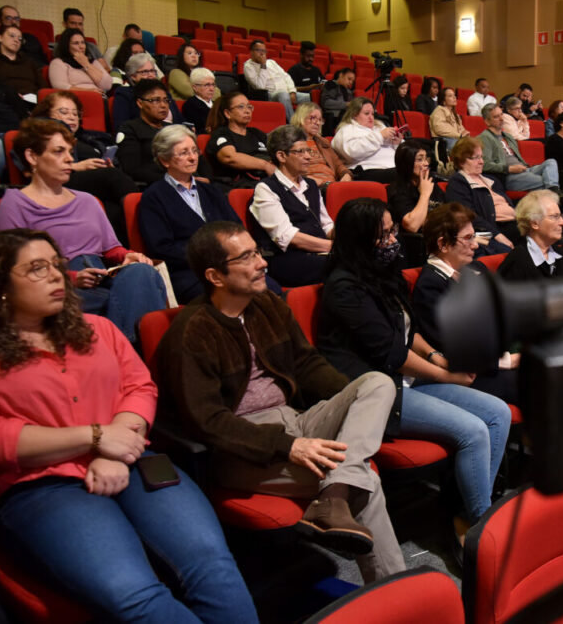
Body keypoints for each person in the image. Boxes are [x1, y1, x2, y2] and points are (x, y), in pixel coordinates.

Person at [0, 229, 258, 623]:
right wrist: (97, 438)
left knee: (212, 564)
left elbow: (139, 388)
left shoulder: (99, 329)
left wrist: (120, 447)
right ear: (0, 285)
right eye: (36, 268)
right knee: (136, 596)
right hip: (41, 484)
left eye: (57, 265)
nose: (56, 275)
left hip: (132, 458)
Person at [155, 221, 407, 582]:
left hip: (294, 418)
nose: (263, 263)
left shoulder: (268, 304)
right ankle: (394, 597)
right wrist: (288, 446)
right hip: (242, 448)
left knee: (377, 384)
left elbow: (307, 364)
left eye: (258, 252)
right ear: (215, 275)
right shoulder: (191, 333)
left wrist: (347, 404)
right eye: (247, 257)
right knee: (364, 482)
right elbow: (208, 422)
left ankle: (331, 497)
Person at [317, 198, 512, 547]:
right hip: (376, 391)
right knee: (474, 431)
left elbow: (408, 331)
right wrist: (446, 376)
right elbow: (390, 353)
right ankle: (480, 523)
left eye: (393, 231)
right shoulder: (344, 287)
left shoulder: (380, 274)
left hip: (406, 379)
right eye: (384, 235)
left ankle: (467, 512)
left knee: (497, 413)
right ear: (361, 240)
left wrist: (436, 355)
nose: (394, 240)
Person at [0, 118, 167, 342]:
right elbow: (12, 269)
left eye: (69, 151)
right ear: (32, 156)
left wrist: (127, 256)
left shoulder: (87, 201)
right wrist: (72, 278)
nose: (69, 159)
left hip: (102, 278)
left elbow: (111, 248)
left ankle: (119, 354)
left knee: (142, 273)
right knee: (127, 299)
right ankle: (130, 356)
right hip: (58, 286)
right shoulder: (14, 204)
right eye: (58, 152)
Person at [410, 203, 519, 402]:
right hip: (469, 374)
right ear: (443, 244)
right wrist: (507, 361)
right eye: (468, 238)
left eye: (474, 236)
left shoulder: (475, 268)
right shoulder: (430, 286)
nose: (476, 245)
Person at [138, 125, 243, 303]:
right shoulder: (154, 197)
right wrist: (208, 256)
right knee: (230, 294)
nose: (193, 157)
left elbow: (236, 227)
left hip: (228, 264)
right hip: (189, 272)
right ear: (165, 160)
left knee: (267, 289)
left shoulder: (211, 190)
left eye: (194, 151)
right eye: (184, 153)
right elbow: (161, 248)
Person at [31, 91, 137, 239]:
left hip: (97, 184)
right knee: (113, 176)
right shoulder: (41, 135)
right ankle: (145, 214)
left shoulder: (90, 137)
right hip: (64, 180)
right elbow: (36, 167)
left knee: (114, 211)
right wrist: (75, 166)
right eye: (64, 112)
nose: (71, 117)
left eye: (75, 114)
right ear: (47, 114)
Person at [249, 125, 333, 287]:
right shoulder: (266, 189)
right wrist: (334, 247)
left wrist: (350, 234)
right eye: (301, 152)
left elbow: (326, 225)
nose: (308, 157)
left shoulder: (311, 185)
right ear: (281, 156)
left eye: (308, 151)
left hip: (319, 253)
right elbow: (287, 237)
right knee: (345, 265)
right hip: (287, 259)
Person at [444, 137, 518, 251]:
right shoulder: (458, 183)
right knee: (507, 250)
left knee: (544, 238)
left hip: (514, 225)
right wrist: (497, 235)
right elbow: (467, 217)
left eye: (481, 157)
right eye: (476, 158)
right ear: (461, 161)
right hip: (483, 234)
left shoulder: (491, 180)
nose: (481, 161)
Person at [386, 140, 446, 266]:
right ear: (406, 163)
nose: (425, 164)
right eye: (419, 159)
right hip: (415, 246)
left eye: (426, 159)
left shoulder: (431, 184)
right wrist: (424, 194)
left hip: (441, 240)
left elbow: (448, 216)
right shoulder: (397, 189)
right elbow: (412, 226)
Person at [479, 103, 561, 192]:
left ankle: (553, 190)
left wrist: (524, 166)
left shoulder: (508, 136)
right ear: (487, 121)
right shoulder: (484, 138)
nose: (502, 119)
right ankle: (555, 192)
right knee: (546, 180)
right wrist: (509, 169)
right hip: (509, 175)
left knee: (551, 162)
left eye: (501, 114)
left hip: (524, 169)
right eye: (496, 117)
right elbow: (485, 165)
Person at [205, 92, 276, 189]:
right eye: (241, 107)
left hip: (267, 181)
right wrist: (265, 165)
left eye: (249, 107)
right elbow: (230, 157)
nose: (247, 111)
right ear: (228, 113)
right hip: (240, 185)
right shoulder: (222, 134)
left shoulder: (257, 133)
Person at [331, 97, 403, 183]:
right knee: (406, 173)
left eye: (372, 114)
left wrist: (396, 144)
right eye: (366, 113)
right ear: (354, 115)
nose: (371, 117)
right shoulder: (346, 129)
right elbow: (352, 152)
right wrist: (380, 136)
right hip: (367, 169)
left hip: (393, 166)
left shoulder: (379, 126)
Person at [498, 190, 563, 281]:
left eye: (561, 216)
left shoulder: (560, 254)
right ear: (535, 223)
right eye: (555, 217)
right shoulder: (517, 260)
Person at [116, 79, 175, 185]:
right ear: (140, 103)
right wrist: (173, 179)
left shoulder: (174, 129)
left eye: (166, 100)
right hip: (155, 185)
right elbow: (132, 169)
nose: (163, 105)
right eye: (156, 100)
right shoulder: (130, 129)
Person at [111, 53, 183, 134]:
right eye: (145, 72)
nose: (150, 75)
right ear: (133, 76)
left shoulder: (165, 94)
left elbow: (180, 121)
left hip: (174, 137)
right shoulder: (125, 94)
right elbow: (121, 126)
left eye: (152, 71)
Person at [289, 101, 352, 186]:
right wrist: (307, 179)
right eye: (313, 118)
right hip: (307, 185)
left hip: (332, 185)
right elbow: (283, 169)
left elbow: (338, 165)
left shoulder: (323, 142)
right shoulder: (289, 140)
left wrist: (346, 174)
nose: (317, 123)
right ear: (301, 118)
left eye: (320, 120)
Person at [243, 39, 297, 122]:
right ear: (251, 52)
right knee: (283, 95)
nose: (262, 53)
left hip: (287, 92)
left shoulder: (271, 62)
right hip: (271, 95)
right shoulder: (248, 66)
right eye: (258, 50)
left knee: (309, 97)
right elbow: (259, 86)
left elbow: (286, 76)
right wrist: (263, 65)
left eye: (263, 51)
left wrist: (292, 91)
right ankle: (295, 124)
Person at [0, 25, 44, 100]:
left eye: (20, 38)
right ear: (0, 38)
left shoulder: (29, 62)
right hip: (5, 100)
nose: (16, 40)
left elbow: (43, 86)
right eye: (12, 36)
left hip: (32, 100)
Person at [49, 29, 111, 94]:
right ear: (67, 46)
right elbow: (60, 87)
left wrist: (86, 64)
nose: (81, 47)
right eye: (76, 43)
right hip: (74, 98)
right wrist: (88, 92)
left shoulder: (93, 62)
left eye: (83, 42)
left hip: (98, 98)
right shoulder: (58, 63)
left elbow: (107, 85)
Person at [428, 86, 469, 151]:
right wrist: (459, 135)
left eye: (454, 95)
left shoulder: (455, 114)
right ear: (443, 100)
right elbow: (440, 129)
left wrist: (464, 134)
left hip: (455, 139)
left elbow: (461, 129)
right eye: (450, 96)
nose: (454, 97)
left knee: (473, 144)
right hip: (444, 140)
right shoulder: (438, 111)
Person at [320, 68, 355, 136]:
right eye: (349, 79)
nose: (351, 82)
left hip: (345, 116)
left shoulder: (348, 91)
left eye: (352, 81)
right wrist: (346, 104)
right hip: (335, 117)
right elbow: (326, 103)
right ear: (341, 75)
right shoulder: (331, 85)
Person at [182, 67, 216, 135]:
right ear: (195, 87)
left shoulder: (217, 104)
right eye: (207, 85)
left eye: (213, 84)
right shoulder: (190, 105)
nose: (211, 89)